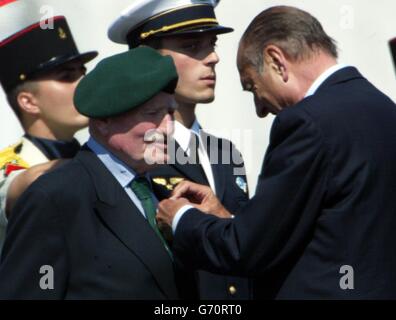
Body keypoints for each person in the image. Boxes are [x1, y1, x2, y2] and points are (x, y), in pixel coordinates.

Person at [157, 6, 396, 299]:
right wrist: (229, 219)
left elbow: (246, 249)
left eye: (252, 87)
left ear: (276, 61)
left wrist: (182, 217)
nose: (260, 110)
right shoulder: (383, 108)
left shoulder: (307, 123)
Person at [0, 46, 192, 299]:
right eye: (152, 114)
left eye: (169, 112)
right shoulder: (54, 198)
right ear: (103, 121)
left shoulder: (172, 186)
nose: (168, 129)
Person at [108, 0, 252, 300]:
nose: (213, 57)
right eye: (191, 46)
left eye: (211, 44)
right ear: (148, 60)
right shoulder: (132, 154)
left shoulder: (225, 151)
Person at [0, 4, 98, 252]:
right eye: (67, 77)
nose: (83, 83)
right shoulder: (12, 163)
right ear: (28, 102)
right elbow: (27, 183)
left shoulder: (92, 153)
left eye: (82, 72)